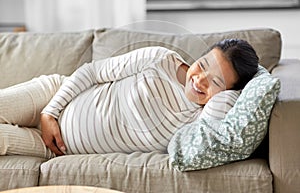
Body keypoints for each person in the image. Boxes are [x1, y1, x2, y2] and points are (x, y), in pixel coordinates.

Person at [0, 38, 258, 158]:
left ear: (229, 93)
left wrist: (232, 92)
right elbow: (92, 72)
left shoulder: (198, 122)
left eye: (215, 82)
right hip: (52, 96)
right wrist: (50, 112)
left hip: (55, 148)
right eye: (203, 64)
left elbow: (222, 111)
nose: (199, 79)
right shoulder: (160, 60)